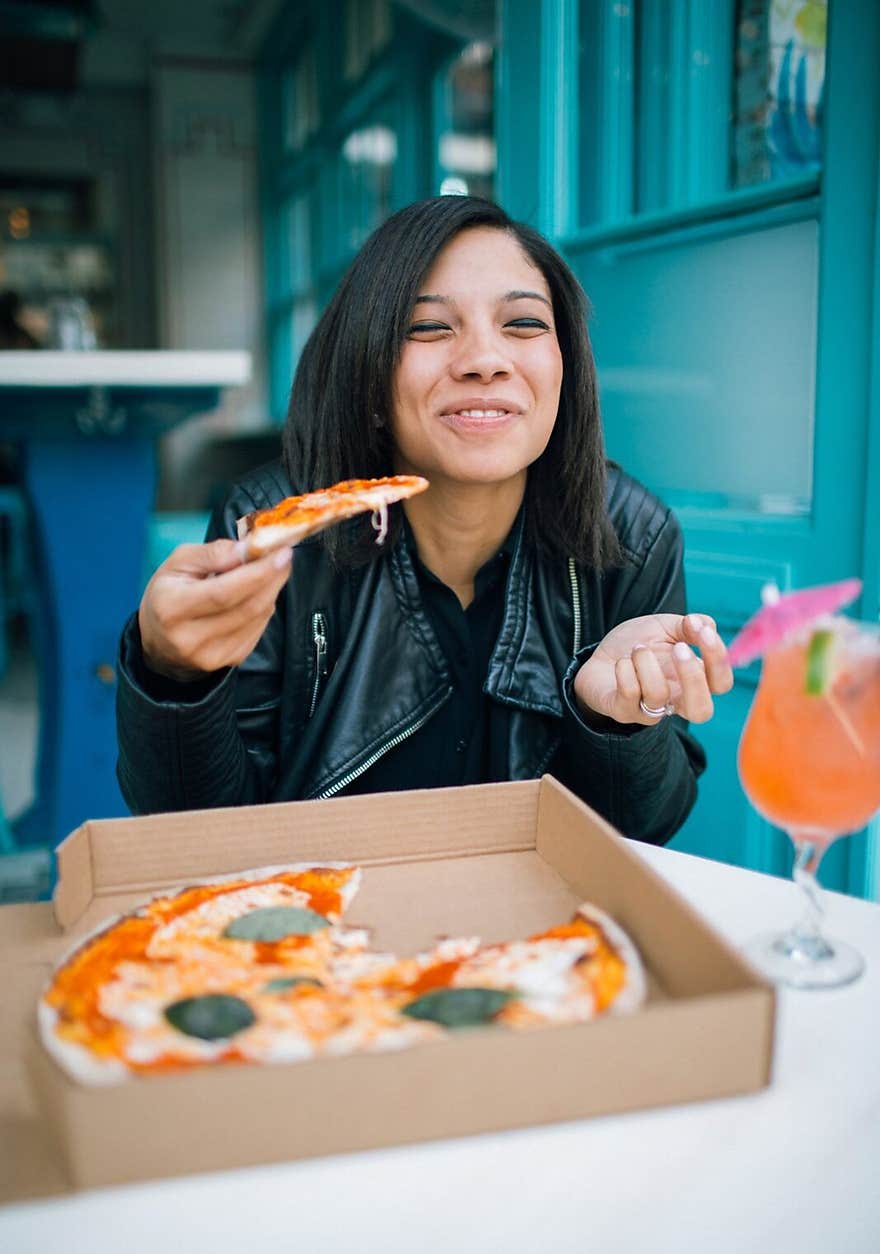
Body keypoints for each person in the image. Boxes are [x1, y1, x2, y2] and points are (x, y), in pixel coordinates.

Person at [117, 195, 732, 844]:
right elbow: (200, 836)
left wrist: (615, 724)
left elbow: (646, 831)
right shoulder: (275, 530)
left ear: (566, 369)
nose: (484, 360)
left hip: (534, 939)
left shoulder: (633, 537)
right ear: (369, 374)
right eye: (430, 328)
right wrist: (174, 676)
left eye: (522, 324)